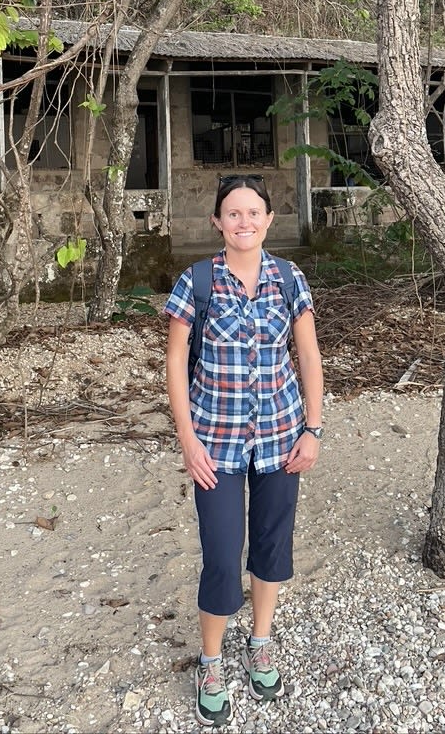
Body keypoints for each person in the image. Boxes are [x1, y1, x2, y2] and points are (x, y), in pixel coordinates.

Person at [165, 173, 324, 728]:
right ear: (217, 221)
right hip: (216, 444)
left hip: (282, 438)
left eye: (253, 212)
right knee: (221, 550)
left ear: (268, 219)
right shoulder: (197, 282)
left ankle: (260, 641)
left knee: (273, 546)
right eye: (233, 213)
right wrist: (188, 441)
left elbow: (308, 357)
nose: (244, 222)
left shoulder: (289, 278)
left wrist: (314, 429)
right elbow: (175, 368)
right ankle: (211, 662)